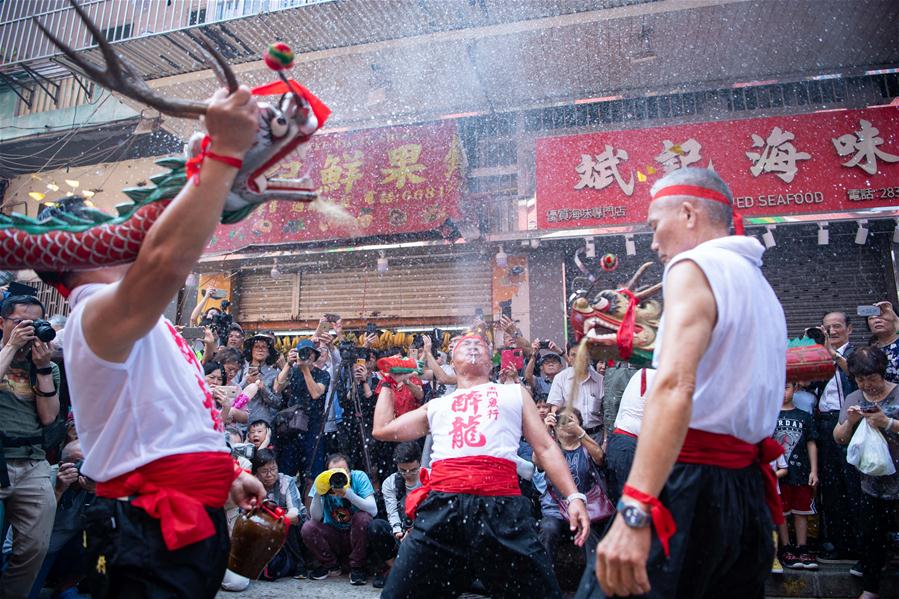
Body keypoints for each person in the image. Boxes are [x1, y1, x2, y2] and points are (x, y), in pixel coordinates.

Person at [41, 86, 265, 597]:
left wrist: (226, 472)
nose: (122, 228)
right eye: (104, 225)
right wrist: (223, 156)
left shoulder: (139, 316)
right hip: (147, 525)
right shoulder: (95, 311)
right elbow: (167, 260)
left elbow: (168, 415)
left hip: (187, 515)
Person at [585, 167, 787, 599]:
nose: (654, 243)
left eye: (656, 226)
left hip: (691, 486)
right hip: (744, 493)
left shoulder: (693, 265)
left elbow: (676, 385)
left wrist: (636, 506)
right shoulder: (759, 285)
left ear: (690, 213)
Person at [373, 333, 589, 599]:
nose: (473, 344)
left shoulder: (514, 393)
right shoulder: (438, 405)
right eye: (465, 344)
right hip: (442, 509)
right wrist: (387, 382)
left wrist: (574, 496)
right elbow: (382, 429)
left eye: (480, 344)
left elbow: (545, 447)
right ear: (452, 361)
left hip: (501, 507)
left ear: (491, 362)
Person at [0, 295, 60, 598]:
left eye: (35, 323)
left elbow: (49, 417)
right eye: (20, 322)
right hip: (1, 457)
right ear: (2, 323)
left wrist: (44, 367)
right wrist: (10, 347)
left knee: (36, 546)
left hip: (32, 463)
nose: (28, 329)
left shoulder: (45, 365)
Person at [833, 346, 899, 599]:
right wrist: (850, 421)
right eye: (861, 379)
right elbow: (839, 438)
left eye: (871, 378)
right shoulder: (853, 398)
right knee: (871, 537)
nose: (867, 384)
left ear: (882, 373)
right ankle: (870, 589)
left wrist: (888, 423)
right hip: (870, 483)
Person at [538, 408, 609, 568]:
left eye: (570, 419)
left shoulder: (587, 447)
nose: (565, 423)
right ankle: (545, 580)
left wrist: (579, 432)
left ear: (580, 425)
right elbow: (537, 460)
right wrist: (545, 430)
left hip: (587, 511)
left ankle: (593, 584)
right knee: (548, 529)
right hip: (555, 511)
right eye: (561, 419)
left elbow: (599, 457)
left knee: (590, 534)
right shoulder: (550, 449)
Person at [817, 310, 861, 563]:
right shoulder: (819, 352)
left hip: (850, 419)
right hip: (824, 421)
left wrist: (834, 356)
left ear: (849, 329)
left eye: (837, 326)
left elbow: (858, 376)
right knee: (830, 484)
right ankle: (835, 541)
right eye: (827, 328)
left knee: (852, 482)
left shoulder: (856, 354)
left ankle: (857, 544)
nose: (832, 331)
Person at [27, 440, 95, 599]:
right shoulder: (44, 478)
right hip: (38, 548)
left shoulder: (95, 481)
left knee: (99, 540)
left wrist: (96, 492)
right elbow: (33, 525)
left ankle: (67, 585)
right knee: (26, 593)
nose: (82, 468)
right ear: (61, 464)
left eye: (87, 462)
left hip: (69, 546)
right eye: (76, 462)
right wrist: (58, 490)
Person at [301, 452, 377, 585]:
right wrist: (319, 493)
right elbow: (315, 517)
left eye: (343, 472)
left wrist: (348, 494)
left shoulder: (358, 477)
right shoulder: (323, 481)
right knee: (308, 527)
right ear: (327, 474)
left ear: (350, 472)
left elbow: (373, 510)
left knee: (363, 518)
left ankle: (357, 567)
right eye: (334, 473)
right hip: (334, 534)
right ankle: (331, 566)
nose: (339, 476)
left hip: (357, 534)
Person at [774, 382, 819, 570]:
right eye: (780, 387)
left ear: (796, 388)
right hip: (778, 474)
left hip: (801, 471)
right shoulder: (770, 417)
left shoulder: (805, 417)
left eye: (787, 387)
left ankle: (802, 546)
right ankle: (786, 547)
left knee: (802, 511)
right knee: (782, 511)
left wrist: (814, 470)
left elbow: (811, 443)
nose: (784, 392)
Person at [367, 441, 422, 589]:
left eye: (413, 470)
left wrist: (416, 530)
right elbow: (392, 512)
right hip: (400, 532)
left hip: (424, 532)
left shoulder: (430, 477)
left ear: (420, 462)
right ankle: (395, 567)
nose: (408, 474)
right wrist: (398, 531)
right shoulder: (390, 483)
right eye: (403, 470)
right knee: (376, 526)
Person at [274, 340, 329, 482]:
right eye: (303, 353)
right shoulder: (293, 371)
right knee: (286, 474)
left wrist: (305, 370)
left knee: (313, 475)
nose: (307, 356)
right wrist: (288, 364)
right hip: (292, 428)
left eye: (310, 353)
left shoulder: (323, 375)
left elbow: (316, 393)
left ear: (315, 356)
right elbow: (277, 388)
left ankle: (309, 503)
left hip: (313, 428)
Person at [251, 449, 308, 580]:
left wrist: (274, 520)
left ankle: (301, 565)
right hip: (264, 530)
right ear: (256, 473)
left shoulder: (286, 481)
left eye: (273, 469)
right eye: (264, 471)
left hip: (292, 527)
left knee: (288, 522)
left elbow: (294, 513)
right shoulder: (251, 484)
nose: (270, 474)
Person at [605, 369, 655, 505]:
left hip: (619, 442)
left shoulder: (642, 373)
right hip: (628, 445)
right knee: (630, 503)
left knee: (622, 502)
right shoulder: (655, 375)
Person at [547, 345, 604, 445]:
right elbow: (555, 408)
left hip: (596, 437)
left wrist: (605, 442)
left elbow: (606, 413)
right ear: (568, 357)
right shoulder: (560, 378)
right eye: (573, 355)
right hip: (570, 436)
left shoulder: (600, 380)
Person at [238, 333, 281, 424]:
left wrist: (262, 388)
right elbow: (232, 393)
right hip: (239, 423)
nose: (260, 349)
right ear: (251, 350)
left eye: (264, 347)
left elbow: (277, 403)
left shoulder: (274, 374)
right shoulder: (240, 370)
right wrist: (246, 381)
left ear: (269, 352)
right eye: (256, 346)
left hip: (262, 424)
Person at [866, 302, 899, 383]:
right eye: (871, 318)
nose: (877, 320)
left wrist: (895, 318)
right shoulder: (871, 350)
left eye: (882, 316)